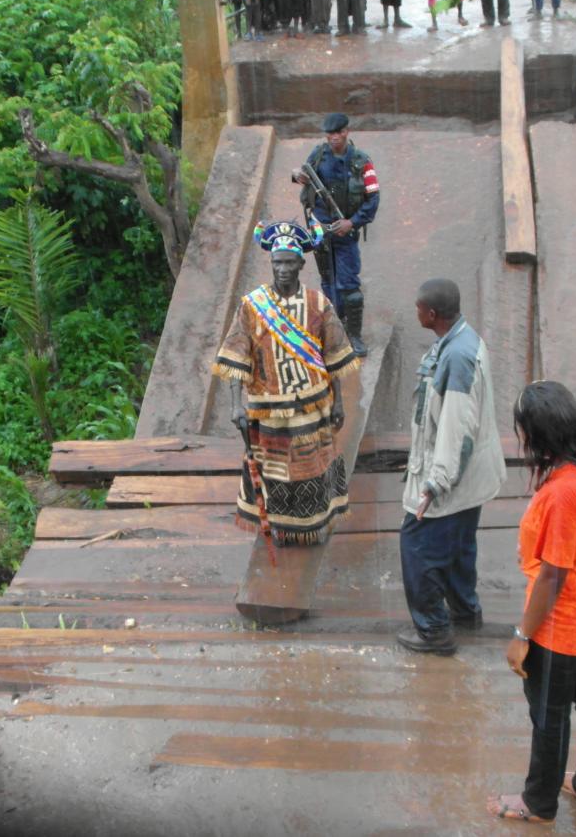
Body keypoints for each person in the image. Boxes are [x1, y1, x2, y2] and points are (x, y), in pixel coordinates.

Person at [486, 380, 576, 824]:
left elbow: (551, 575)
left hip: (559, 629)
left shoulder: (562, 493)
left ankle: (539, 803)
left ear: (537, 436)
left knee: (550, 717)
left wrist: (520, 637)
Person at [213, 221, 361, 544]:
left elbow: (334, 356)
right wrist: (236, 404)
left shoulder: (319, 304)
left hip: (313, 404)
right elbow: (237, 354)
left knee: (314, 467)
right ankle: (280, 526)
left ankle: (315, 524)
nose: (282, 269)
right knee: (275, 470)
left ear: (301, 265)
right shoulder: (252, 306)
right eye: (277, 262)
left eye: (289, 262)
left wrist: (339, 402)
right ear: (271, 263)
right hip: (268, 409)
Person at [396, 279, 506, 656]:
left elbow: (458, 428)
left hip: (452, 475)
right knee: (459, 546)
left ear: (431, 314)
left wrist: (434, 484)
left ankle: (433, 630)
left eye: (417, 308)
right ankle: (464, 611)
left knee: (417, 545)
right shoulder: (463, 339)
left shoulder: (457, 357)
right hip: (471, 475)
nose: (416, 313)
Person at [292, 112, 380, 356]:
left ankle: (354, 335)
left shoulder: (362, 162)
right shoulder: (318, 155)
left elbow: (373, 198)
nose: (333, 138)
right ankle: (333, 331)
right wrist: (296, 175)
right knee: (328, 282)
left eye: (337, 133)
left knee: (349, 287)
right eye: (329, 134)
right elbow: (303, 175)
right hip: (321, 232)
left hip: (345, 234)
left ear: (346, 132)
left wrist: (352, 222)